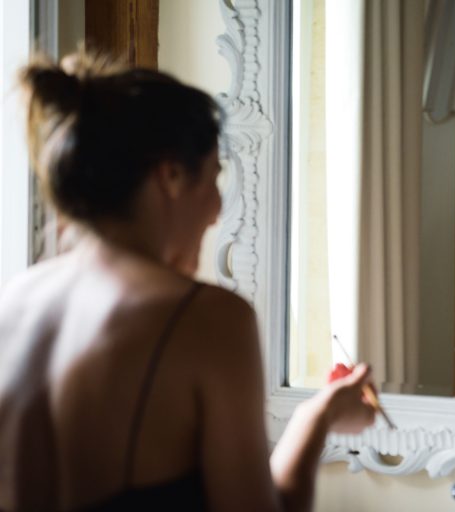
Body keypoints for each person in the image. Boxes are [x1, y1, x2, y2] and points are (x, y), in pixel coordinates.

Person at [0, 51, 375, 512]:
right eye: (213, 179)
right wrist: (318, 417)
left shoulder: (14, 301)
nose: (217, 210)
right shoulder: (205, 318)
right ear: (171, 176)